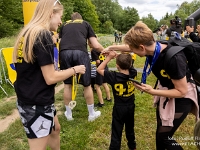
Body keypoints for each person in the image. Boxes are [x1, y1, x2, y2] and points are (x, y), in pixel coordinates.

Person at [103, 21, 199, 150]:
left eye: (134, 50)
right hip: (167, 92)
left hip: (182, 98)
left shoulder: (174, 58)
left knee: (164, 138)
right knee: (160, 135)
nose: (132, 52)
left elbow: (182, 91)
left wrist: (153, 91)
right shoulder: (154, 46)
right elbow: (129, 47)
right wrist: (111, 48)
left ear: (142, 47)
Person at [13, 0, 86, 150]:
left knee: (55, 129)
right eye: (60, 16)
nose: (61, 22)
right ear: (51, 14)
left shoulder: (27, 33)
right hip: (37, 101)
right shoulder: (42, 35)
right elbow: (51, 77)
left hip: (29, 96)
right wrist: (75, 69)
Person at [59, 12, 104, 121]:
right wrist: (105, 51)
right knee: (87, 85)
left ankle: (69, 114)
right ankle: (91, 114)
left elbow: (60, 42)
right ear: (80, 19)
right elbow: (95, 44)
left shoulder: (64, 25)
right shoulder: (85, 24)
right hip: (80, 52)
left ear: (71, 19)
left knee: (67, 85)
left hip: (64, 53)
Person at [97, 52, 137, 150]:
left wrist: (109, 57)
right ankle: (132, 146)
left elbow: (99, 69)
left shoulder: (113, 76)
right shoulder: (133, 72)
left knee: (116, 131)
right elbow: (129, 63)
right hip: (131, 106)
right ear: (131, 64)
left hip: (119, 108)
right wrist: (121, 56)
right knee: (130, 129)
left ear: (117, 66)